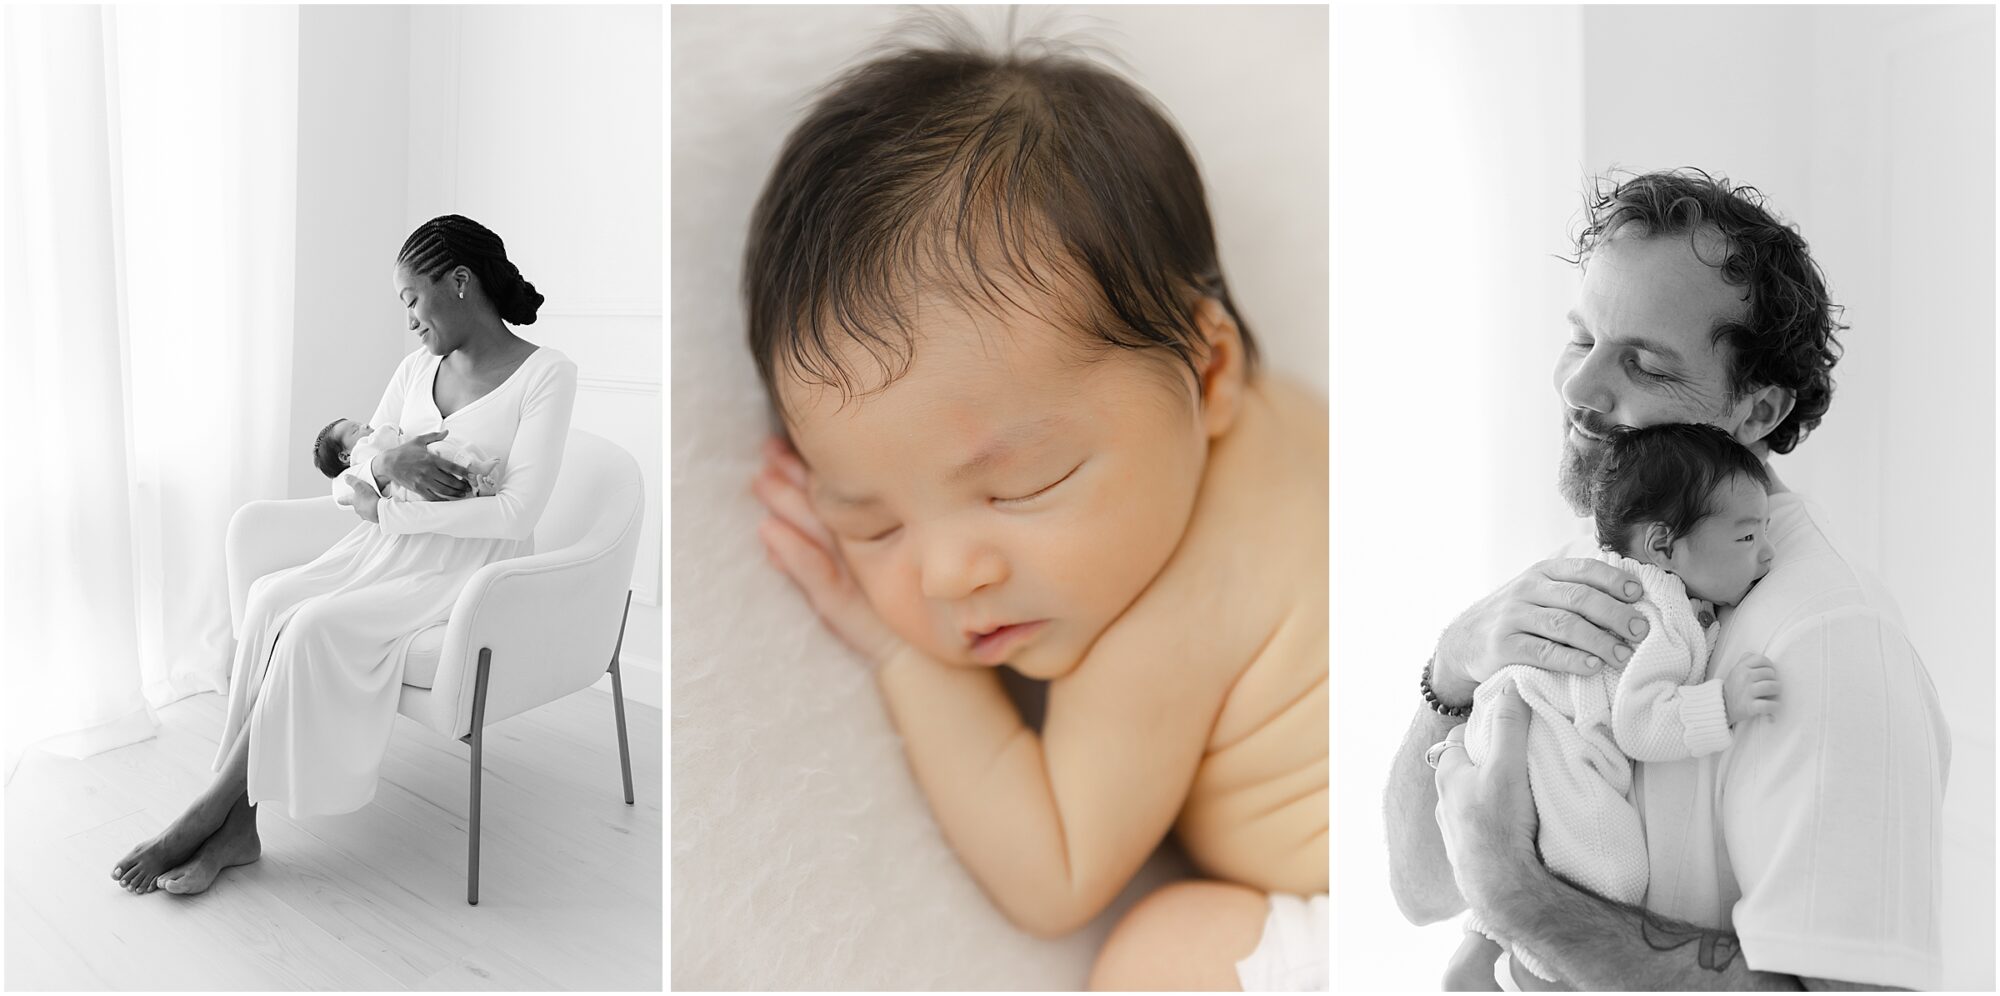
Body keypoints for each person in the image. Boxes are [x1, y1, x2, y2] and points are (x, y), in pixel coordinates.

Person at [743, 27, 1328, 991]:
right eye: (871, 525)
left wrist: (901, 657)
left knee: (1163, 952)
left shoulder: (1164, 622)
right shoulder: (1286, 413)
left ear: (1208, 368)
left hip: (1407, 919)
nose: (947, 575)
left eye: (1023, 486)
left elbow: (1054, 873)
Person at [1388, 169, 1949, 991]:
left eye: (1643, 365)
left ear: (1757, 412)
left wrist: (1516, 896)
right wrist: (1450, 672)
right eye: (1581, 339)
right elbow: (1422, 889)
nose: (1578, 388)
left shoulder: (1827, 642)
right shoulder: (1611, 559)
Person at [109, 214, 578, 897]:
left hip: (463, 569)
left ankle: (211, 813)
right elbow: (347, 482)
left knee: (311, 626)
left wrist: (387, 502)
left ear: (459, 281)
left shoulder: (547, 374)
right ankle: (239, 827)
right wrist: (386, 463)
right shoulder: (415, 370)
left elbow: (518, 513)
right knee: (270, 597)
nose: (408, 320)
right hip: (379, 546)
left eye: (412, 299)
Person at [1449, 423, 1781, 987]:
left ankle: (1475, 956)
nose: (1769, 553)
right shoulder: (1662, 612)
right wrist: (1721, 704)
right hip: (1552, 744)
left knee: (1534, 846)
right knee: (1611, 876)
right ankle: (1540, 978)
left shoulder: (1605, 572)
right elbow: (1640, 724)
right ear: (1663, 547)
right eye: (1747, 538)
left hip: (1504, 722)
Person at [311, 417, 503, 505]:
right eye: (356, 429)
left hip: (406, 495)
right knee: (441, 449)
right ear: (345, 456)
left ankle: (478, 491)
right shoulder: (362, 449)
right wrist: (391, 427)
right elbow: (385, 436)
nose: (366, 424)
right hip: (409, 485)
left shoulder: (361, 465)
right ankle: (475, 469)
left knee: (444, 495)